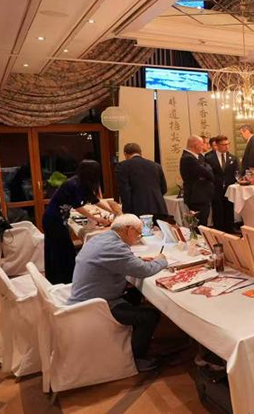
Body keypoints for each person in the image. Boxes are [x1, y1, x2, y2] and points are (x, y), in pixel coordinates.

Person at [68, 214, 168, 372]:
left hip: (88, 296)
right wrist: (161, 260)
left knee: (135, 293)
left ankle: (133, 340)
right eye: (138, 233)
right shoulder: (115, 247)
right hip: (95, 306)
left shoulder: (101, 238)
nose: (138, 238)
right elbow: (144, 271)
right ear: (128, 230)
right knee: (150, 315)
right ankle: (136, 359)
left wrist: (138, 259)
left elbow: (120, 261)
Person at [43, 160, 114, 284]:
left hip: (60, 218)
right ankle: (63, 280)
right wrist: (97, 219)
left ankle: (65, 278)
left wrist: (113, 210)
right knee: (60, 249)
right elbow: (78, 207)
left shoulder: (83, 183)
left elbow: (95, 200)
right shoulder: (73, 184)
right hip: (53, 218)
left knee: (64, 249)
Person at [115, 143, 168, 217]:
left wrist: (127, 213)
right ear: (140, 152)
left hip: (137, 209)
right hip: (159, 207)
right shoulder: (156, 165)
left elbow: (125, 191)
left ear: (125, 154)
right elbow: (164, 189)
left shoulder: (122, 166)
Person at [204, 135, 238, 233]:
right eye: (223, 144)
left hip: (229, 188)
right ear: (217, 145)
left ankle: (230, 229)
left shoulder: (233, 158)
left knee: (229, 210)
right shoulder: (209, 158)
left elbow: (236, 173)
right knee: (218, 211)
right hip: (216, 189)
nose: (226, 146)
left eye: (228, 144)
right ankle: (219, 231)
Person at [180, 136, 215, 228]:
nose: (203, 146)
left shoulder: (198, 157)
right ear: (196, 145)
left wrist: (207, 168)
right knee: (200, 224)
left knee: (202, 222)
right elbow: (208, 173)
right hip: (197, 197)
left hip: (202, 196)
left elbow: (209, 169)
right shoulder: (188, 158)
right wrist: (207, 169)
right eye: (202, 144)